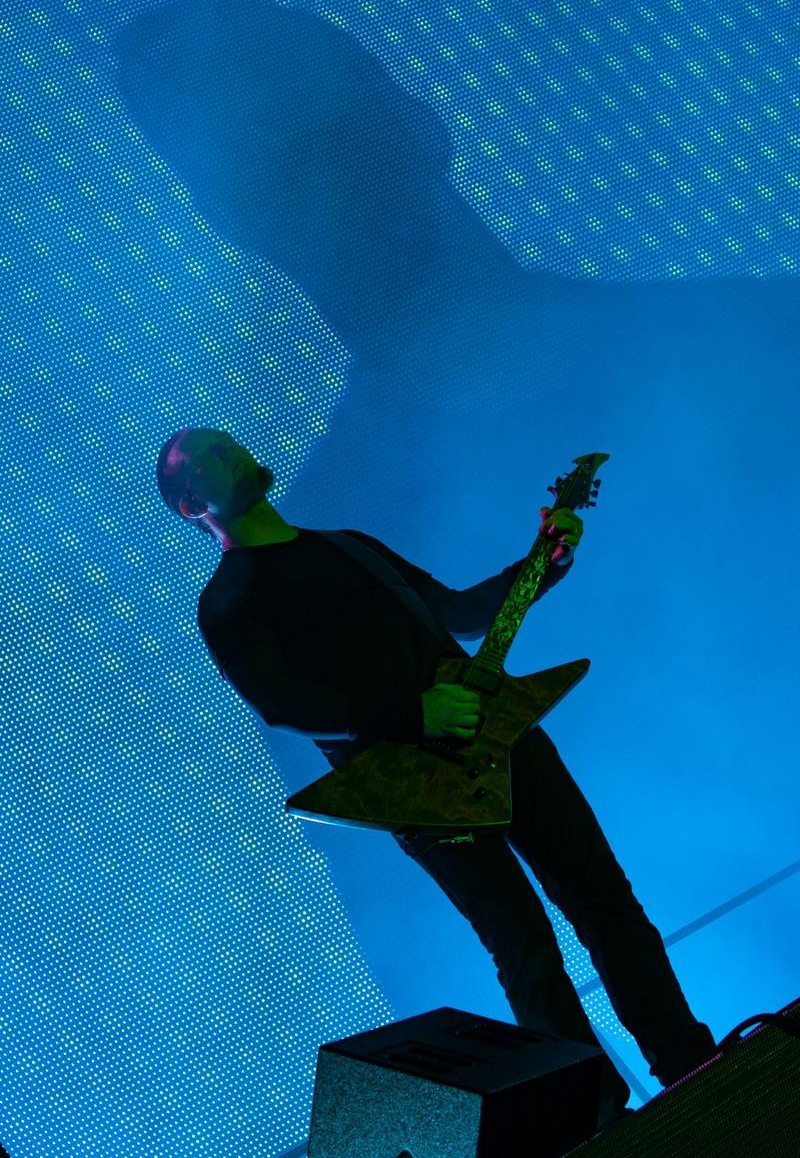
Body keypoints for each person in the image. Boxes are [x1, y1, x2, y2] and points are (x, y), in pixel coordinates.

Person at [156, 425, 718, 1133]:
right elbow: (282, 704)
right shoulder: (228, 602)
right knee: (525, 946)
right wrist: (411, 711)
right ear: (191, 505)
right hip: (414, 788)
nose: (227, 451)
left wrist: (543, 561)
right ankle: (599, 1120)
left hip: (504, 738)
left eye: (224, 441)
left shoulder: (348, 546)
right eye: (205, 457)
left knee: (608, 905)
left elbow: (457, 613)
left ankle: (693, 1065)